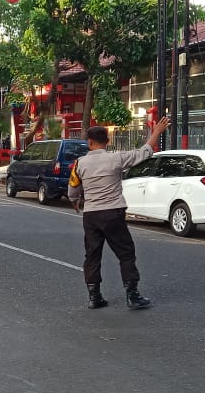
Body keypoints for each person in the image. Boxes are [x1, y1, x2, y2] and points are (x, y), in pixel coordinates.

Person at [67, 116, 170, 310]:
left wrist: (74, 200)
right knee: (126, 253)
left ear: (89, 142)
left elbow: (73, 187)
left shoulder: (80, 163)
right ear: (107, 142)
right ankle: (132, 295)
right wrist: (156, 132)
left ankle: (94, 296)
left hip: (91, 215)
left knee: (92, 255)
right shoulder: (116, 158)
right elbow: (144, 152)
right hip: (113, 213)